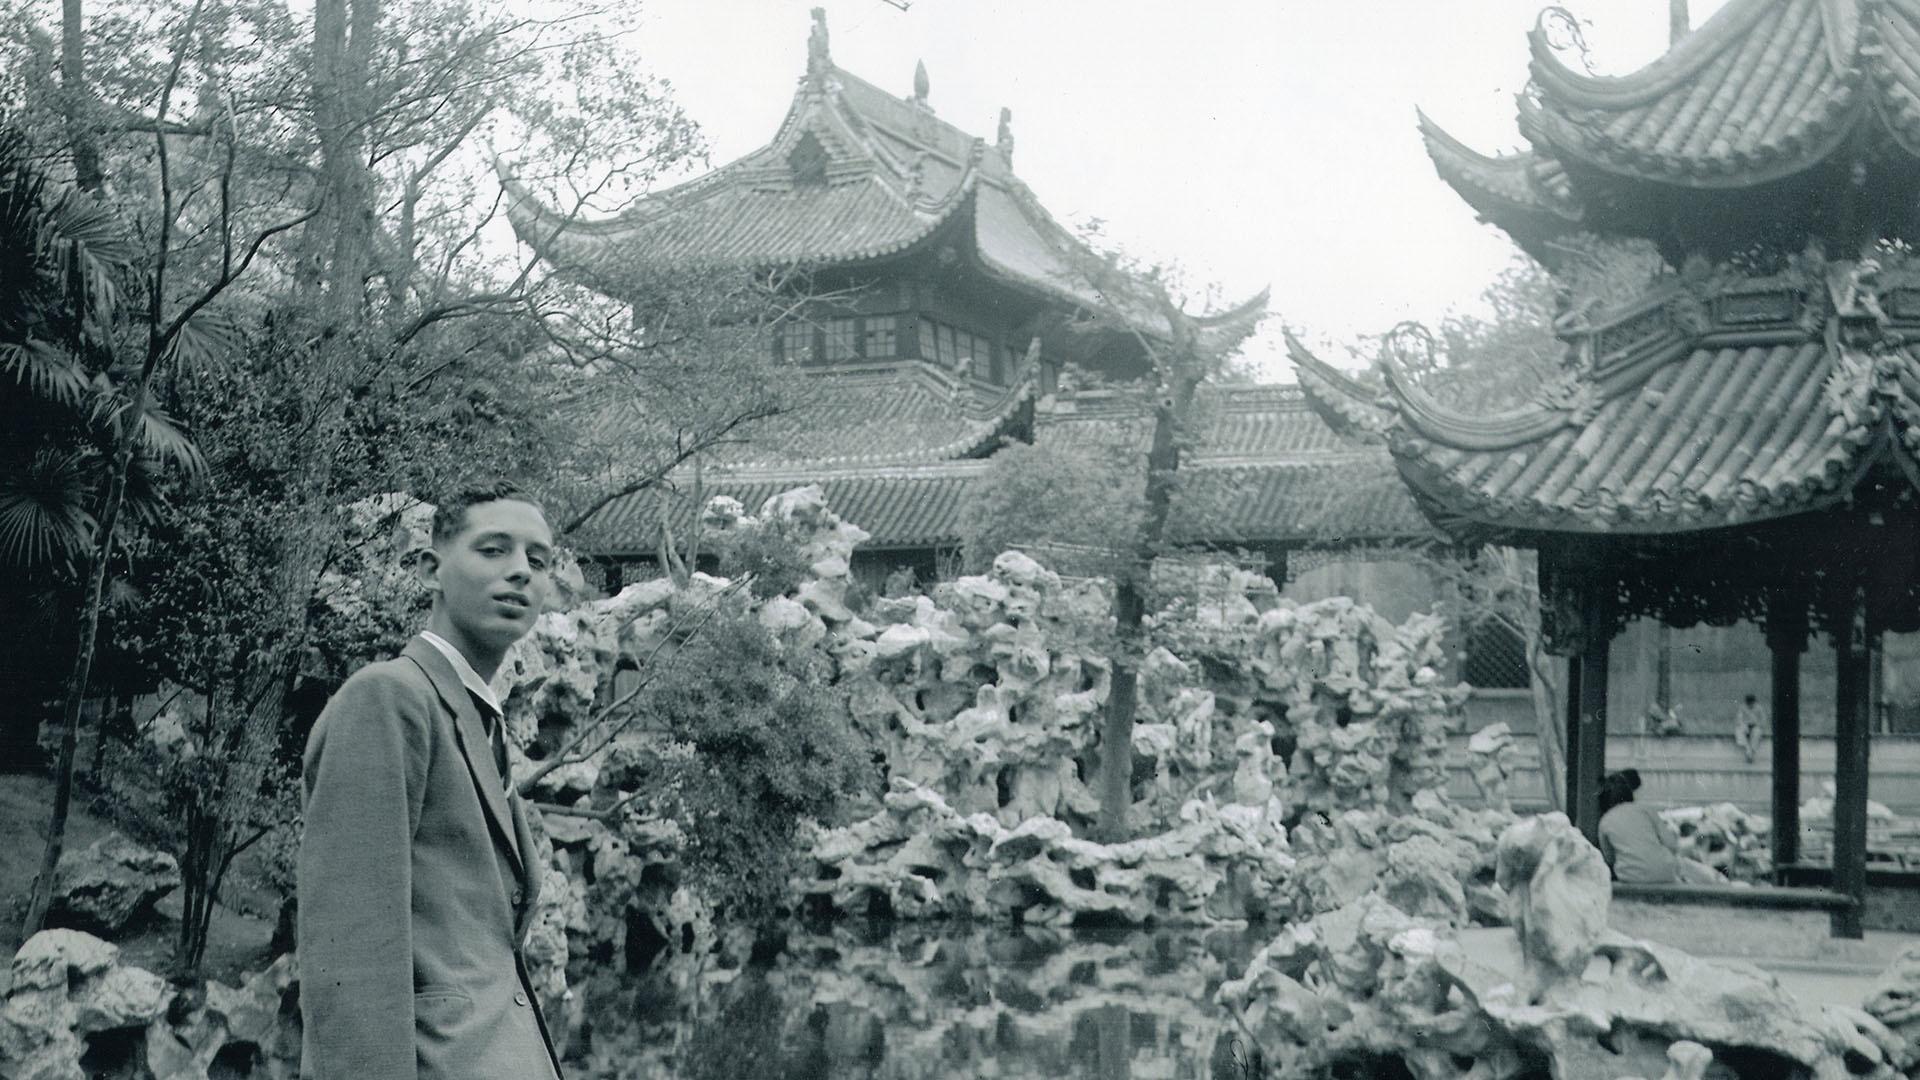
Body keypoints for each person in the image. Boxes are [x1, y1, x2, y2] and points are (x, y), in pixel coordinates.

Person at [298, 482, 563, 1080]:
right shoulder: (388, 698)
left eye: (538, 560)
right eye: (493, 550)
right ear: (429, 571)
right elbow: (351, 948)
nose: (520, 572)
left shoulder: (475, 715)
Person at [1597, 769, 1722, 885]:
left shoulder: (1604, 821)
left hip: (1630, 876)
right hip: (1665, 871)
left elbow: (1609, 858)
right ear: (1630, 793)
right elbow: (1672, 844)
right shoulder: (1646, 810)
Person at [1733, 693, 1766, 763]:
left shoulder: (1759, 708)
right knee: (1740, 732)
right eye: (1749, 703)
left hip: (1756, 726)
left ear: (1754, 702)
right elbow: (1739, 719)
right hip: (1745, 726)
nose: (1750, 705)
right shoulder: (1742, 707)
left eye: (1752, 703)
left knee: (1756, 733)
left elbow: (1763, 720)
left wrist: (1757, 724)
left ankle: (1751, 753)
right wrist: (1743, 725)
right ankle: (1748, 750)